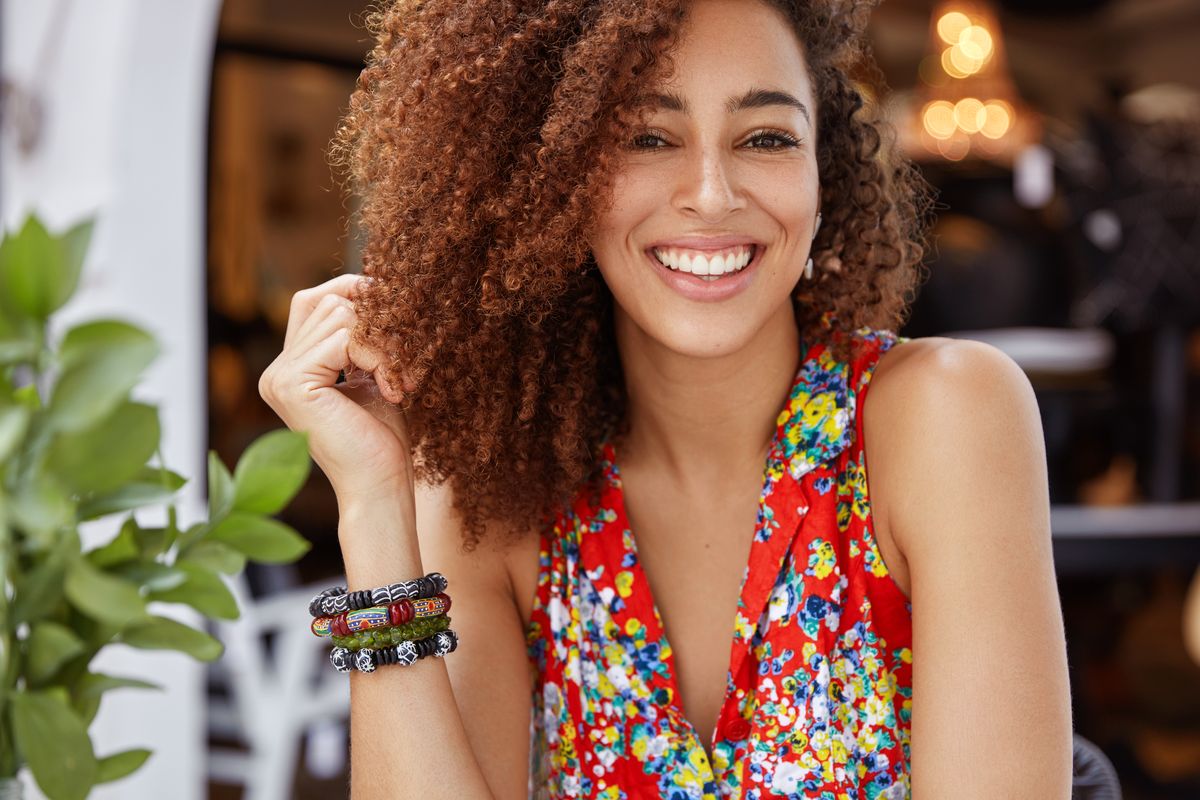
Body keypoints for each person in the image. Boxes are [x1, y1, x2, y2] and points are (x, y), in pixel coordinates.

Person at [259, 0, 1074, 796]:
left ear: (822, 176)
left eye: (766, 137)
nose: (712, 195)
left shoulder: (946, 419)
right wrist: (373, 506)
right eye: (647, 137)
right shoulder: (497, 492)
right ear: (555, 179)